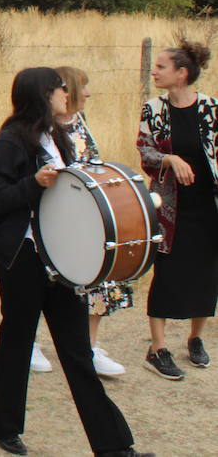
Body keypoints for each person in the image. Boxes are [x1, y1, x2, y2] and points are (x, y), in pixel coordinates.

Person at [0, 68, 151, 457]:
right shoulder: (10, 140)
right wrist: (33, 183)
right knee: (17, 341)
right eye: (58, 89)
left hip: (61, 260)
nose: (64, 94)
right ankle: (6, 428)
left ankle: (114, 446)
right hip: (22, 259)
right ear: (42, 94)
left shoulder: (58, 136)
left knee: (76, 352)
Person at [139, 39, 218, 381]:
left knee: (206, 274)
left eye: (161, 67)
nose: (153, 71)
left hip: (208, 206)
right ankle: (157, 348)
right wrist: (170, 158)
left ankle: (195, 338)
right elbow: (145, 152)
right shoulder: (153, 109)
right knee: (166, 275)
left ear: (181, 73)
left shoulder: (212, 108)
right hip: (170, 210)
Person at [51, 65, 128, 377]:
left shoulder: (80, 121)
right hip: (61, 216)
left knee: (101, 277)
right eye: (83, 87)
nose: (88, 93)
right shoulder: (47, 128)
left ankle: (90, 346)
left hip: (89, 211)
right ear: (67, 90)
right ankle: (30, 343)